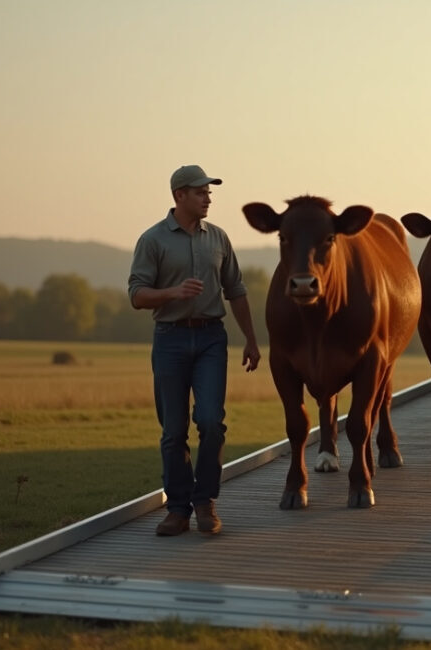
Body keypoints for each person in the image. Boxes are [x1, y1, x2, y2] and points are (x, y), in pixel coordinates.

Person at [128, 164, 261, 536]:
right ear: (179, 195)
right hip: (169, 339)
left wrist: (251, 339)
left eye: (209, 192)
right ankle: (178, 509)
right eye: (201, 192)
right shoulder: (152, 240)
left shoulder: (218, 238)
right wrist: (172, 292)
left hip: (210, 339)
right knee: (173, 431)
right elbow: (137, 295)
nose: (208, 198)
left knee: (210, 422)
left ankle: (205, 504)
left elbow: (236, 290)